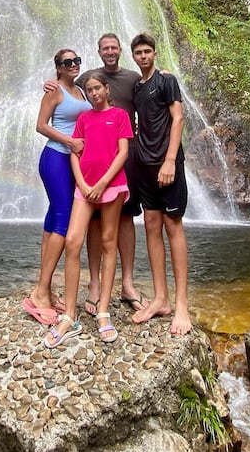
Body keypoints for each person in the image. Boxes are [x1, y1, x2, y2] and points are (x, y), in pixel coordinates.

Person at [44, 33, 148, 315]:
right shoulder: (86, 80)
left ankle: (126, 284)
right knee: (91, 223)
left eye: (114, 47)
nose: (110, 51)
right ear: (99, 52)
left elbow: (151, 83)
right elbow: (66, 89)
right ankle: (91, 286)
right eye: (106, 48)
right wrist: (51, 82)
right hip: (88, 167)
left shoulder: (133, 78)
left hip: (124, 159)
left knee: (124, 220)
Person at [44, 72, 132, 348]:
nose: (93, 93)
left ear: (106, 89)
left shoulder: (119, 115)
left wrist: (103, 182)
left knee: (108, 242)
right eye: (90, 90)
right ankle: (69, 315)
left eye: (98, 88)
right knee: (72, 241)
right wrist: (82, 183)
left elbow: (123, 153)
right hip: (84, 188)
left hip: (112, 186)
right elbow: (74, 152)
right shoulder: (83, 118)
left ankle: (103, 312)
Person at [129, 32, 192, 337]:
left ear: (155, 53)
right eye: (138, 52)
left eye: (147, 51)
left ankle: (181, 304)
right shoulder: (136, 86)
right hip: (143, 165)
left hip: (168, 166)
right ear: (134, 57)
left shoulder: (167, 81)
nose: (143, 56)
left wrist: (169, 160)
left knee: (173, 226)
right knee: (151, 225)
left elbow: (178, 119)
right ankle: (160, 299)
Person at [24, 48, 90, 326]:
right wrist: (71, 142)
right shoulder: (55, 91)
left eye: (76, 61)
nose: (73, 65)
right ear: (58, 68)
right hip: (56, 158)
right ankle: (40, 293)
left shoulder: (82, 90)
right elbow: (41, 125)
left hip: (71, 161)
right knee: (63, 220)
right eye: (68, 62)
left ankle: (46, 289)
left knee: (53, 220)